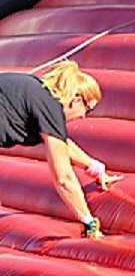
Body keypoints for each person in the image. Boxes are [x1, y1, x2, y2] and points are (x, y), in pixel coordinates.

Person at [0, 61, 121, 237]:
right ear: (76, 99)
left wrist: (95, 167)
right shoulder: (49, 106)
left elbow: (62, 144)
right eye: (87, 109)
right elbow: (63, 178)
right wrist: (89, 222)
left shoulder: (35, 92)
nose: (83, 116)